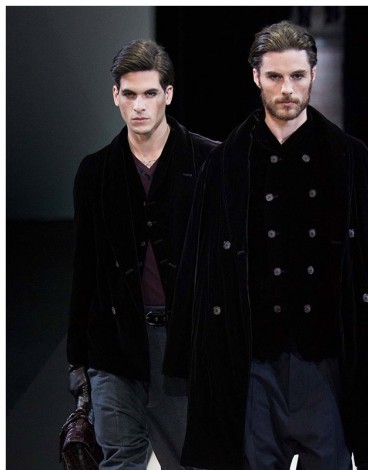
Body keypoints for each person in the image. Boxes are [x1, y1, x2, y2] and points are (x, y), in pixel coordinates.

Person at [163, 20, 368, 470]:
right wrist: (183, 361)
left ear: (313, 75)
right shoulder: (225, 164)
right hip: (252, 362)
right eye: (275, 76)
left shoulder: (351, 159)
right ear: (256, 77)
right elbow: (198, 263)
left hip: (324, 360)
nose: (287, 89)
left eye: (297, 76)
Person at [66, 38, 218, 469]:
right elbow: (85, 268)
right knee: (120, 459)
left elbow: (231, 264)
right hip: (114, 346)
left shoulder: (210, 163)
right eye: (129, 94)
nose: (139, 106)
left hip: (186, 344)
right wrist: (77, 362)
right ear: (115, 95)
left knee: (196, 459)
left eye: (150, 93)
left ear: (168, 94)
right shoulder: (95, 173)